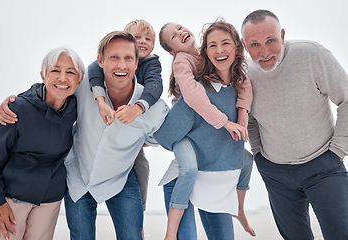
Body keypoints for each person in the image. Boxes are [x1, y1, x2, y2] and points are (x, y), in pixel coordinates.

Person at [0, 31, 169, 240]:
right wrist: (12, 102)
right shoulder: (84, 85)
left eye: (128, 58)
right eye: (114, 57)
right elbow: (51, 91)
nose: (121, 65)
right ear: (101, 61)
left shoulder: (155, 108)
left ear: (136, 64)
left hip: (120, 179)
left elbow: (158, 139)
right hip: (78, 178)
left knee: (133, 236)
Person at [241, 9, 348, 240]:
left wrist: (338, 150)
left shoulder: (312, 55)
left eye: (271, 41)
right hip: (276, 173)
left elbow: (346, 99)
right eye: (255, 44)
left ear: (282, 34)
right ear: (244, 45)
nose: (264, 52)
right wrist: (259, 155)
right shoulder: (245, 75)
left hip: (323, 166)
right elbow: (249, 119)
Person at [155, 20, 253, 240]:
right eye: (173, 36)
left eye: (180, 27)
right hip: (183, 133)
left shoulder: (211, 62)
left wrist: (242, 116)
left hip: (208, 154)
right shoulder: (183, 61)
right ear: (172, 51)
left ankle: (239, 209)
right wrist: (226, 122)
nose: (180, 33)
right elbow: (192, 95)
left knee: (246, 160)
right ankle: (169, 234)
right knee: (188, 168)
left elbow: (245, 86)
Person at [0, 47, 85, 240]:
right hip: (11, 199)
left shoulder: (76, 107)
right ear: (43, 75)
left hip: (49, 201)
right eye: (55, 70)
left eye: (70, 72)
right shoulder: (18, 108)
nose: (63, 78)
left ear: (79, 80)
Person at [87, 20, 163, 218]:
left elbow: (155, 87)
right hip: (110, 120)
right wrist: (100, 98)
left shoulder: (152, 64)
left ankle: (141, 210)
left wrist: (138, 108)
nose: (142, 42)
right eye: (137, 38)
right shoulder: (110, 61)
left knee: (141, 167)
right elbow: (94, 69)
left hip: (137, 120)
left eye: (148, 39)